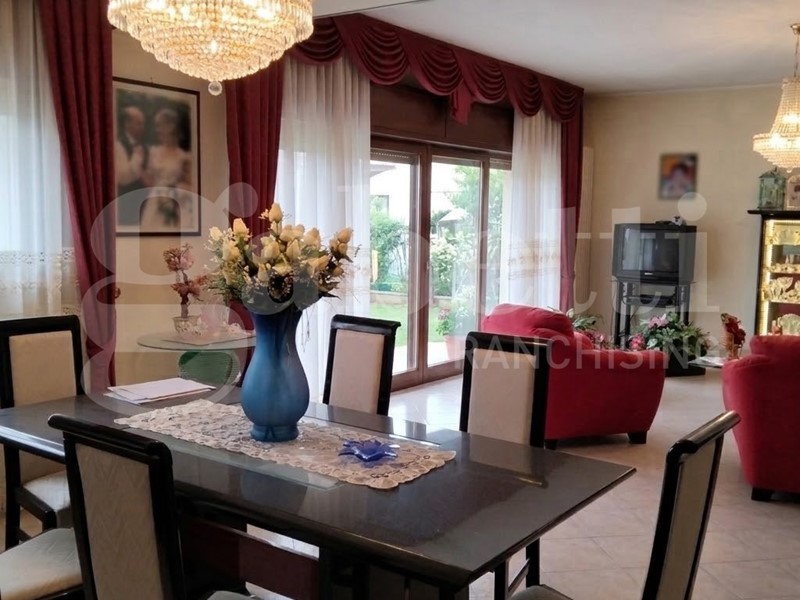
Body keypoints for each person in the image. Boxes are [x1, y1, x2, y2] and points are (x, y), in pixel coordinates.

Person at [140, 108, 194, 231]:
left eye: (160, 125)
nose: (157, 130)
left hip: (176, 201)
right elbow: (149, 181)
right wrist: (140, 169)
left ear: (171, 126)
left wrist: (177, 190)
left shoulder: (184, 156)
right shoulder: (154, 152)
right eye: (156, 126)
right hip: (155, 201)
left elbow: (190, 184)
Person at [114, 105, 148, 225]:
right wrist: (137, 157)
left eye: (143, 124)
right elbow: (123, 178)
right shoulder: (118, 146)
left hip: (144, 205)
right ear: (127, 124)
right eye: (139, 123)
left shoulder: (144, 147)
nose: (142, 127)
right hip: (126, 205)